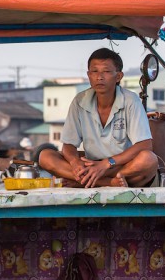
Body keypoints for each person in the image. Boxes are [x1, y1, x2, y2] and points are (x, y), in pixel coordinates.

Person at [38, 48, 158, 188]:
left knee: (148, 160)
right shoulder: (79, 101)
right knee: (45, 156)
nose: (99, 77)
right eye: (94, 71)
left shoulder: (131, 100)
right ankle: (107, 183)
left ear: (118, 76)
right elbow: (69, 145)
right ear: (88, 75)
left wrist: (106, 164)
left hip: (120, 166)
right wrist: (75, 163)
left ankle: (83, 181)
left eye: (106, 72)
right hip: (92, 165)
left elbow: (145, 145)